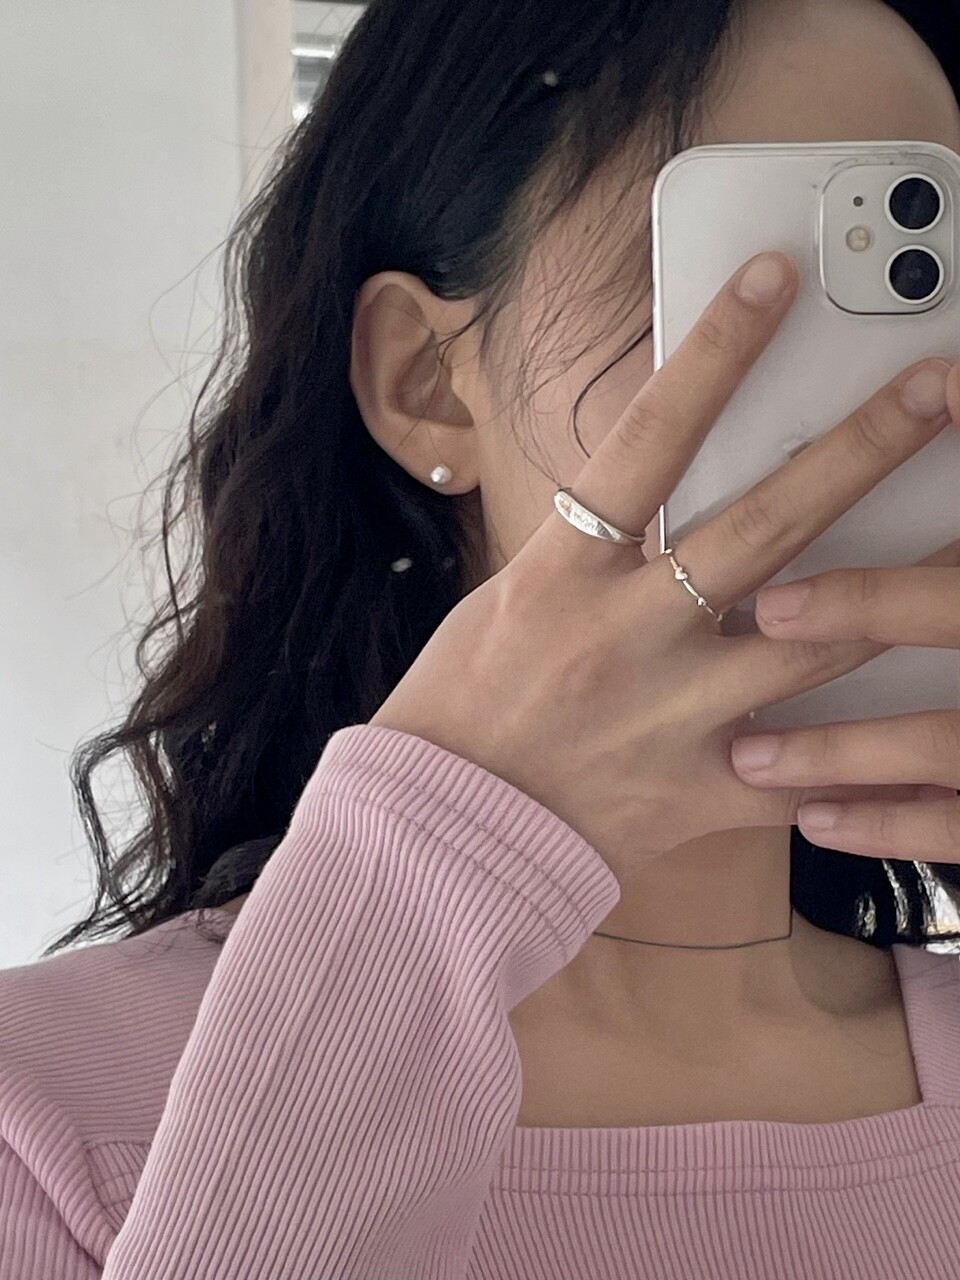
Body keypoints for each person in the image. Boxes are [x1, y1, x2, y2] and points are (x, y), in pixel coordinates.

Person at [3, 0, 960, 1275]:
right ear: (425, 379)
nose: (896, 405)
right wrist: (430, 867)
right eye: (737, 270)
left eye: (925, 288)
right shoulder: (44, 1116)